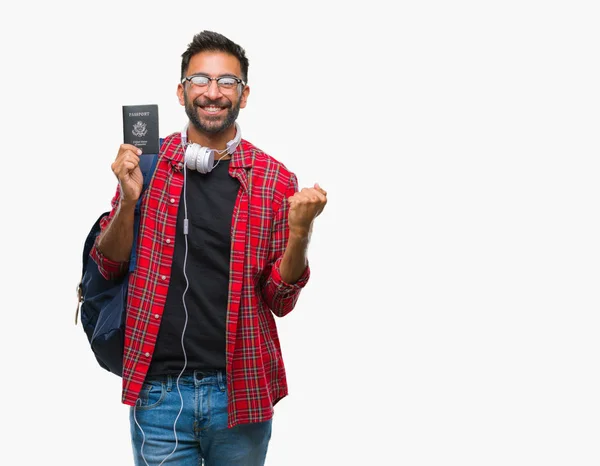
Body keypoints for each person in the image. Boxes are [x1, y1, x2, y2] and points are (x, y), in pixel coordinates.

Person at [90, 30, 327, 466]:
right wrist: (128, 199)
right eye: (201, 80)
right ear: (182, 91)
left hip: (241, 392)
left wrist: (300, 234)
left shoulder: (275, 180)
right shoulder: (146, 165)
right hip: (159, 395)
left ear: (245, 94)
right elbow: (108, 264)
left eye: (227, 82)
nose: (213, 93)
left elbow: (280, 300)